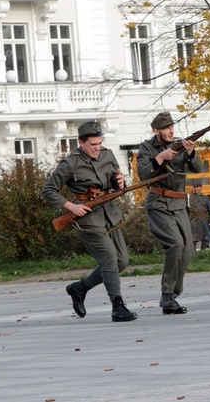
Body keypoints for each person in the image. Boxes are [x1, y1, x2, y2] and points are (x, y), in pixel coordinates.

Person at [42, 120, 137, 322]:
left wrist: (119, 182)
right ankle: (117, 306)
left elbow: (115, 181)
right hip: (87, 216)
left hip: (109, 213)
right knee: (109, 258)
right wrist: (71, 206)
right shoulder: (71, 163)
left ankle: (79, 288)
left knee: (121, 262)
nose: (97, 148)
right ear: (81, 143)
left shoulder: (108, 155)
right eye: (93, 145)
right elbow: (48, 190)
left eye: (99, 143)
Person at [137, 111, 202, 315]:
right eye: (167, 128)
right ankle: (167, 295)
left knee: (188, 250)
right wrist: (159, 158)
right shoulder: (146, 148)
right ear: (156, 131)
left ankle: (172, 295)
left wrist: (190, 153)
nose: (172, 131)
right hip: (159, 202)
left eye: (173, 127)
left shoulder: (181, 144)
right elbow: (143, 174)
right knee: (175, 245)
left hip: (179, 203)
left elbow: (198, 168)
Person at [189, 183, 210, 250]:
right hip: (193, 220)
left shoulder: (206, 198)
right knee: (193, 237)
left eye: (197, 187)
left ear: (201, 188)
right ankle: (193, 253)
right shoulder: (190, 198)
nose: (195, 189)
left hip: (203, 220)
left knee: (205, 237)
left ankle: (203, 252)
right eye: (195, 187)